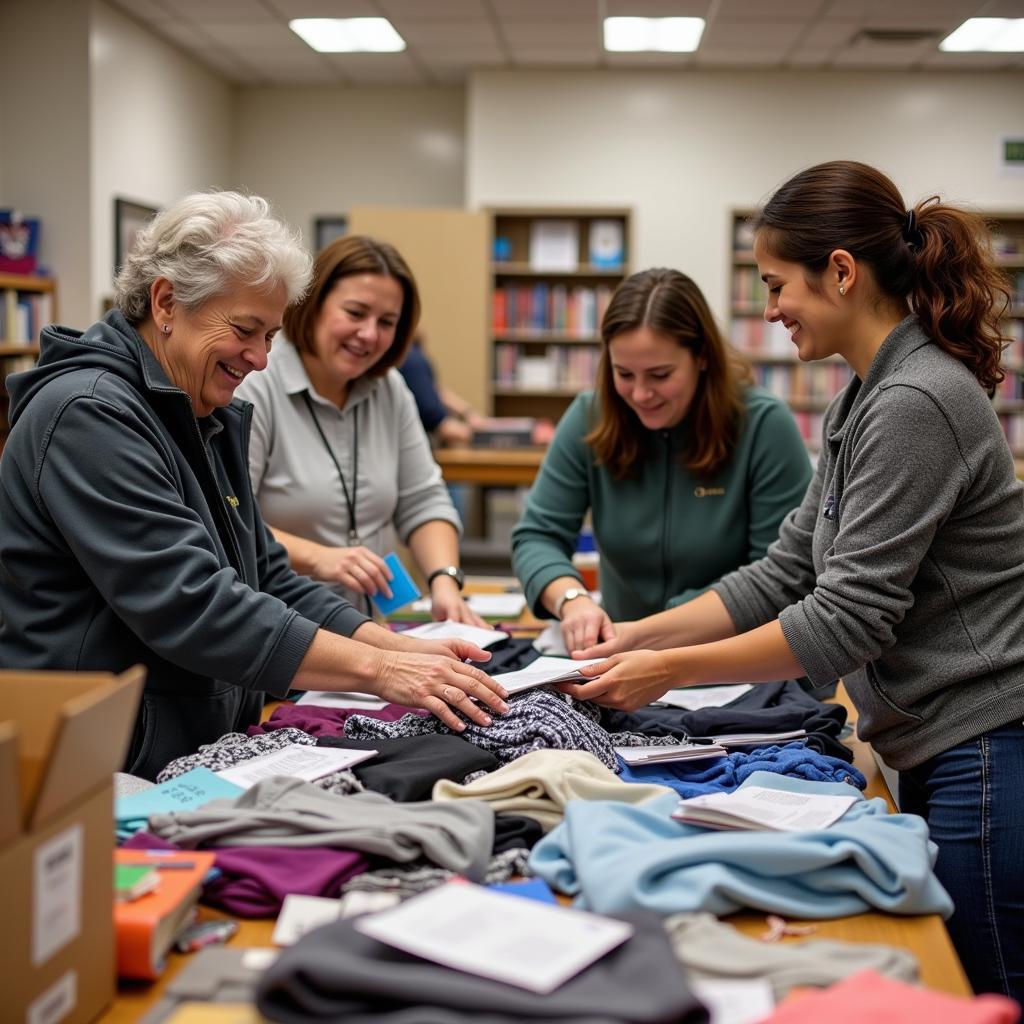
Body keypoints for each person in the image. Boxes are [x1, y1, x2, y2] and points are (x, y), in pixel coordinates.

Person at [567, 161, 1024, 1001]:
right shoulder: (866, 395)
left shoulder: (916, 400)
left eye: (779, 285)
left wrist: (664, 672)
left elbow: (842, 621)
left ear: (842, 273)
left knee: (980, 986)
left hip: (984, 746)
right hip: (940, 739)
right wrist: (638, 635)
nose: (771, 308)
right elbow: (787, 569)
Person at [0, 192, 507, 781]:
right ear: (167, 301)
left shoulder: (200, 413)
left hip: (176, 750)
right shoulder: (89, 414)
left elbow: (266, 576)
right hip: (96, 763)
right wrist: (380, 671)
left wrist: (396, 647)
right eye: (246, 330)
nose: (262, 360)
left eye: (270, 336)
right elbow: (192, 604)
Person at [511, 267, 812, 654]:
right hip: (620, 659)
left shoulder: (763, 426)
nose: (640, 394)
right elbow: (537, 535)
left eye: (660, 374)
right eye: (624, 373)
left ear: (702, 357)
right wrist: (573, 601)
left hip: (735, 665)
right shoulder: (590, 416)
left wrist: (653, 634)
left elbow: (781, 576)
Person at [236, 236, 485, 626]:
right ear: (312, 305)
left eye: (386, 322)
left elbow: (424, 501)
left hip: (370, 631)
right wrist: (321, 558)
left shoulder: (390, 390)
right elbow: (230, 521)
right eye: (355, 313)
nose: (369, 334)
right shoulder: (256, 385)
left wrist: (444, 582)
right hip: (279, 631)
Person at [399, 334, 480, 446]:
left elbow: (433, 389)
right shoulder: (412, 359)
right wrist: (484, 436)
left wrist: (468, 413)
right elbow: (437, 421)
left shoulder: (410, 356)